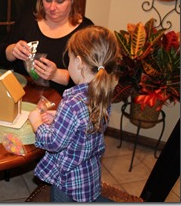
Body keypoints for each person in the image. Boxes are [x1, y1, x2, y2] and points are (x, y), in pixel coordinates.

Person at [28, 25, 120, 202]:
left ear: (79, 62)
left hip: (67, 182)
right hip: (89, 174)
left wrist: (36, 123)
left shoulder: (71, 102)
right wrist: (60, 117)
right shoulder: (103, 92)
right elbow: (85, 123)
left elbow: (53, 143)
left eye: (68, 59)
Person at [0, 0, 94, 96]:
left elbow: (91, 80)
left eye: (60, 1)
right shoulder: (28, 19)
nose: (52, 7)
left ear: (72, 0)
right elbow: (0, 57)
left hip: (63, 105)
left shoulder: (86, 31)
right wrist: (12, 51)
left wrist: (56, 75)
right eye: (47, 0)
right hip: (21, 96)